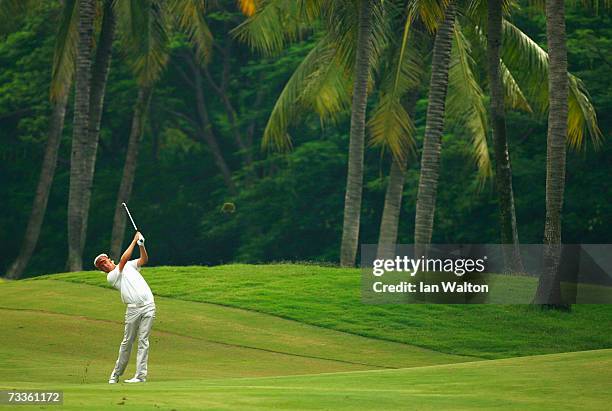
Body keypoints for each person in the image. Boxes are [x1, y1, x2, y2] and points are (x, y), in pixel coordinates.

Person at [93, 231, 155, 384]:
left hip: (149, 306)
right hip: (133, 309)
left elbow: (144, 259)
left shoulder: (129, 265)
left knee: (143, 341)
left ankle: (140, 376)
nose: (104, 265)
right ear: (102, 270)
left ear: (109, 259)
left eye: (105, 261)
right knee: (127, 342)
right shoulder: (111, 276)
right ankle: (116, 374)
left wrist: (142, 245)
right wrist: (134, 241)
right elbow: (123, 259)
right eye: (101, 265)